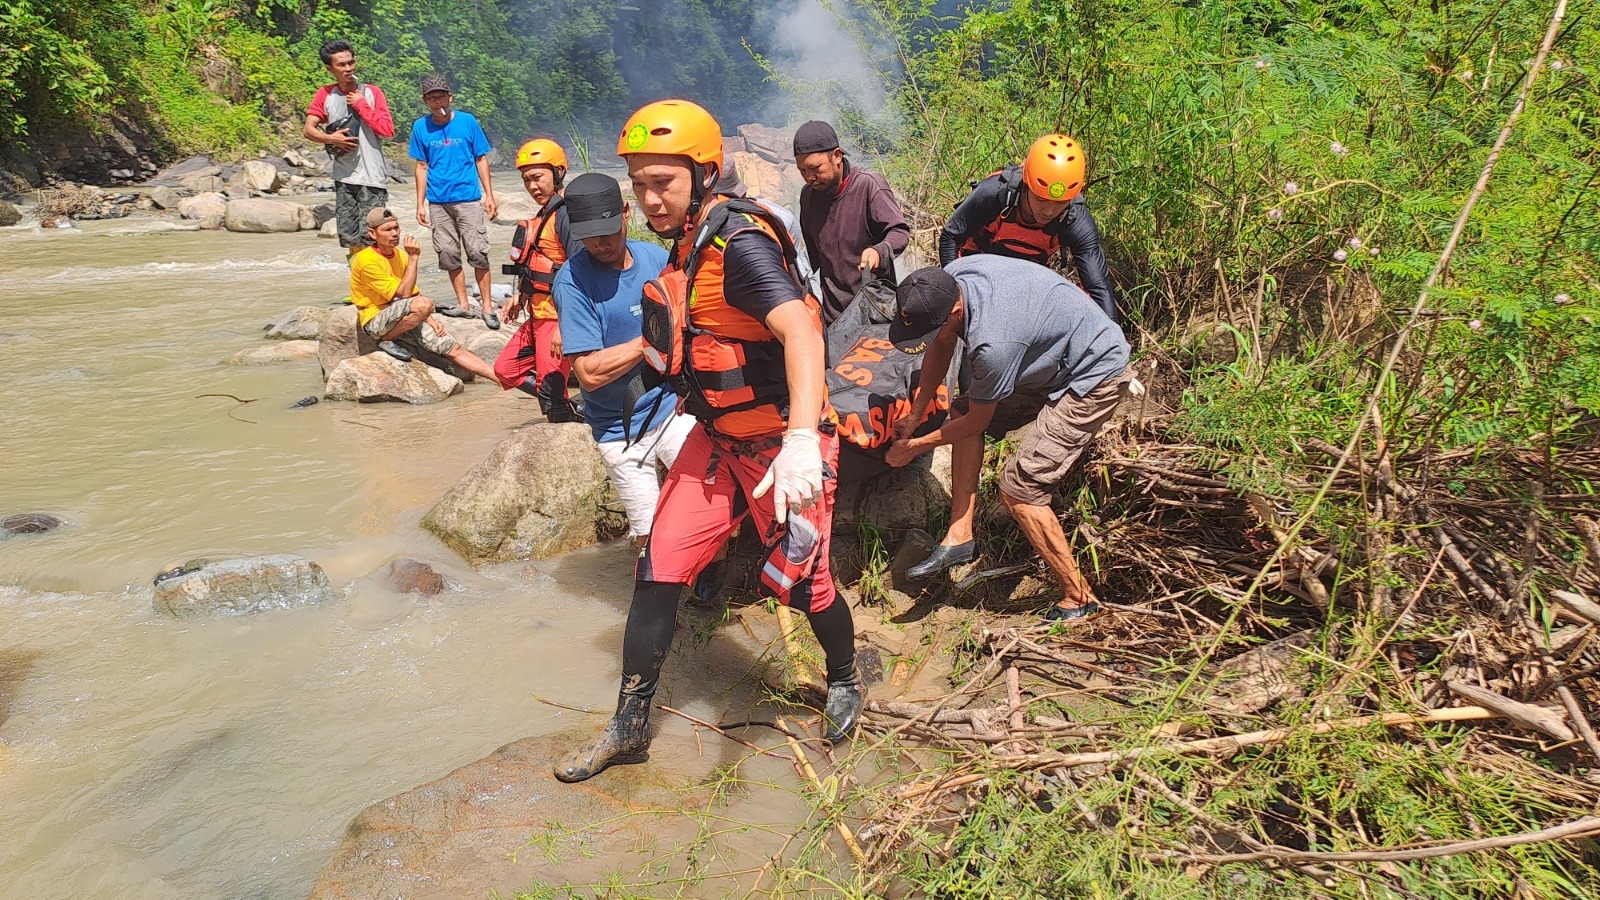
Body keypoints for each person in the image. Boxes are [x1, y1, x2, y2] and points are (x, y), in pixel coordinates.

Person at [556, 100, 862, 783]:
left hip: (782, 449)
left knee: (804, 588)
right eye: (638, 184)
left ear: (703, 172)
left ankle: (844, 676)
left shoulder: (740, 244)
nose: (649, 198)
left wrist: (801, 442)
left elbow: (802, 333)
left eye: (662, 181)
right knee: (657, 571)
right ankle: (629, 726)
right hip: (718, 442)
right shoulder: (689, 237)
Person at [884, 257, 1141, 621]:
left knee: (1020, 490)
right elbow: (941, 345)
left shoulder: (994, 345)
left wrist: (916, 447)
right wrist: (914, 416)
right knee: (957, 410)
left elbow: (977, 422)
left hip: (1093, 374)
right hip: (1048, 353)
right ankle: (960, 534)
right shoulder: (947, 281)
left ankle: (1079, 597)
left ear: (955, 309)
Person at [552, 173, 696, 544]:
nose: (601, 243)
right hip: (620, 430)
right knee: (649, 537)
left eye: (609, 231)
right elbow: (588, 373)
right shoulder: (573, 282)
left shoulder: (654, 257)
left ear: (627, 214)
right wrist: (650, 340)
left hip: (671, 409)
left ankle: (710, 585)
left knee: (709, 499)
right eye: (589, 235)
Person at [939, 134, 1119, 323]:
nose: (1049, 211)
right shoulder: (993, 195)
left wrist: (1113, 342)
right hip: (975, 266)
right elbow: (951, 236)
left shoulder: (1075, 220)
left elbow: (1098, 288)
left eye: (1060, 203)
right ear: (1026, 184)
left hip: (1027, 275)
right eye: (1040, 199)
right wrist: (956, 295)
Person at [348, 207, 500, 383]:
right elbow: (404, 294)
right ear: (373, 234)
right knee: (424, 304)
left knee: (450, 346)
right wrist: (414, 258)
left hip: (401, 314)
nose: (394, 233)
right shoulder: (366, 259)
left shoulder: (399, 254)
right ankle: (386, 339)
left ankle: (498, 378)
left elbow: (413, 292)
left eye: (396, 228)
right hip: (375, 318)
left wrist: (430, 319)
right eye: (387, 230)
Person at [493, 139, 583, 422]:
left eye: (537, 178)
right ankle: (567, 404)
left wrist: (566, 326)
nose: (532, 186)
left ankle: (566, 424)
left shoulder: (566, 215)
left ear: (557, 174)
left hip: (556, 318)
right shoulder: (542, 216)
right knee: (505, 370)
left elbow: (579, 272)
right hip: (537, 315)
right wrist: (520, 296)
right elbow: (536, 266)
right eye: (526, 180)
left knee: (551, 391)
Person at [793, 120, 911, 325]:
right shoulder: (808, 197)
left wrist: (878, 251)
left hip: (876, 310)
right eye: (802, 170)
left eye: (815, 168)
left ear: (837, 156)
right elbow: (812, 257)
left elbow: (900, 232)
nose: (810, 177)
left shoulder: (868, 185)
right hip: (833, 317)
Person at [408, 74, 500, 329]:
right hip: (438, 201)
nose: (438, 101)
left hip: (468, 198)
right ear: (425, 100)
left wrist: (489, 194)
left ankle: (488, 306)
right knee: (448, 253)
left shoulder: (468, 122)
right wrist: (419, 203)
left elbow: (481, 158)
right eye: (432, 97)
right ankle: (463, 304)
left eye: (441, 95)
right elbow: (421, 166)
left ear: (450, 97)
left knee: (477, 251)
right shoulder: (420, 127)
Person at [303, 40, 395, 251]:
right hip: (344, 177)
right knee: (349, 239)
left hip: (372, 178)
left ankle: (379, 282)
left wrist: (362, 105)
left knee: (374, 238)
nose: (348, 68)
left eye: (351, 63)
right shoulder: (325, 94)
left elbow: (388, 131)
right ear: (329, 68)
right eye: (341, 65)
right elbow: (309, 129)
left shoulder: (372, 93)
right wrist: (332, 139)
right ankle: (359, 281)